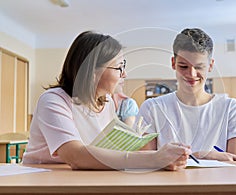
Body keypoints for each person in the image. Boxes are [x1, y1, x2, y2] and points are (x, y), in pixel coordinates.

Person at [22, 31, 191, 171]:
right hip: (44, 182)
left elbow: (105, 150)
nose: (124, 74)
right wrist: (153, 159)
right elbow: (75, 155)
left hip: (84, 177)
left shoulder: (107, 101)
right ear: (92, 71)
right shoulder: (54, 100)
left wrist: (160, 153)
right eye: (119, 68)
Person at [135, 28, 236, 161]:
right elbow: (144, 162)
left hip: (218, 182)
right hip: (169, 182)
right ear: (173, 63)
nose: (191, 74)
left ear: (210, 65)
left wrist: (196, 157)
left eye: (199, 67)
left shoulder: (231, 108)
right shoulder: (152, 107)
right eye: (183, 66)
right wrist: (203, 157)